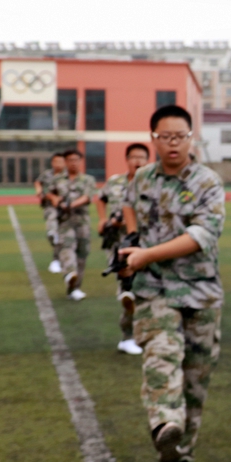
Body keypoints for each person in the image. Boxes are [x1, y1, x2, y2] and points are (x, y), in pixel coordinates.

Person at [117, 106, 226, 462]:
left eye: (180, 136)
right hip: (155, 289)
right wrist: (132, 241)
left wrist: (146, 253)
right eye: (165, 137)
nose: (173, 144)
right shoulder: (142, 177)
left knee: (195, 382)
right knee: (161, 357)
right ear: (154, 139)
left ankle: (180, 457)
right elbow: (127, 204)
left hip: (201, 292)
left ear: (191, 138)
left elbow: (201, 236)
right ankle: (165, 424)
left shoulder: (207, 182)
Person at [98, 142, 150, 354]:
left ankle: (144, 333)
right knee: (129, 289)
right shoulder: (115, 182)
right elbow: (100, 199)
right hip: (119, 243)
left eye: (142, 157)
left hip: (146, 243)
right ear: (127, 160)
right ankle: (128, 336)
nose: (137, 161)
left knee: (145, 290)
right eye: (133, 157)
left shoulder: (152, 183)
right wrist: (103, 219)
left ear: (147, 161)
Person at [50, 149, 96, 301]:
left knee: (82, 254)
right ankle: (70, 273)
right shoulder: (57, 179)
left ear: (80, 161)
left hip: (82, 222)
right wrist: (55, 199)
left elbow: (87, 197)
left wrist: (71, 204)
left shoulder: (87, 179)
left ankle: (75, 287)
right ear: (65, 162)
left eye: (76, 160)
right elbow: (49, 193)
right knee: (67, 247)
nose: (73, 163)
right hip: (65, 221)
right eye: (70, 160)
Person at [37, 152, 68, 272]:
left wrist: (57, 198)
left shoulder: (67, 176)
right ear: (52, 162)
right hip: (50, 206)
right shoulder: (47, 174)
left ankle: (57, 260)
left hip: (66, 209)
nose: (58, 164)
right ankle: (52, 232)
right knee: (52, 220)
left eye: (61, 161)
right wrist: (39, 191)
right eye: (56, 161)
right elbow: (38, 182)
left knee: (62, 237)